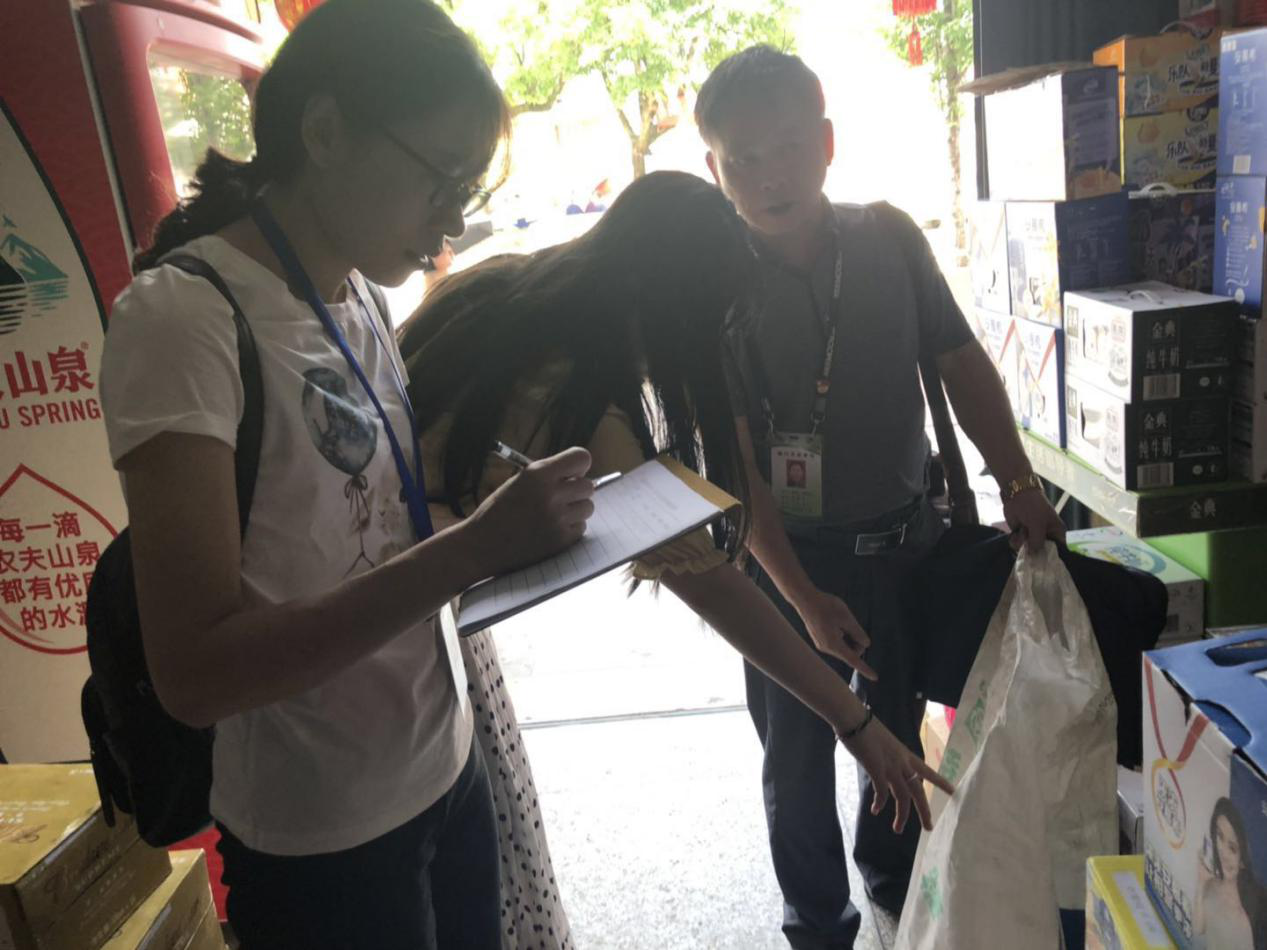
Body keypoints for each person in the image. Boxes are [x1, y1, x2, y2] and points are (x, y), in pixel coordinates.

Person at [97, 3, 598, 948]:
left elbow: (355, 527)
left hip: (445, 763)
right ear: (324, 131)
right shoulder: (182, 321)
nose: (455, 217)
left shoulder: (360, 288)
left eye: (470, 186)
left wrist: (506, 520)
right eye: (440, 178)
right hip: (323, 839)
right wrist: (477, 547)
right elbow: (196, 674)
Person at [397, 171, 955, 946]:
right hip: (396, 646)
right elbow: (709, 583)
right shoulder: (576, 394)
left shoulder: (499, 288)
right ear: (669, 305)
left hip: (399, 608)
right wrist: (854, 721)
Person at [695, 46, 1066, 947]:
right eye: (742, 159)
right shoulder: (711, 287)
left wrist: (1017, 478)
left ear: (826, 142)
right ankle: (818, 925)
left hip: (905, 544)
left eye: (788, 147)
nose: (768, 176)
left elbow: (960, 362)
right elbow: (738, 467)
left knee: (892, 729)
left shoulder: (889, 240)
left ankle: (897, 892)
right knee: (795, 759)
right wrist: (800, 598)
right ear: (713, 169)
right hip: (787, 562)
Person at [1195, 798, 1258, 950]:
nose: (1223, 852)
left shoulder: (1242, 923)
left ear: (1242, 861)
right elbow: (1198, 928)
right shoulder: (1210, 884)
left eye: (1232, 848)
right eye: (1220, 836)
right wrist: (1201, 882)